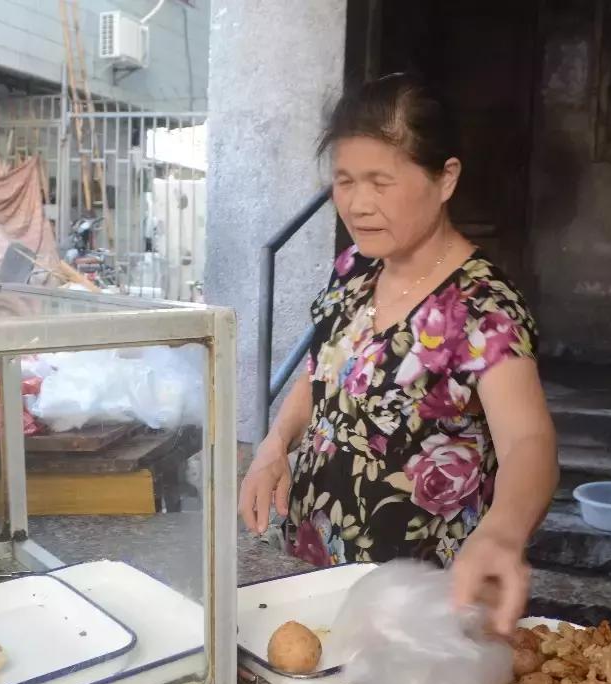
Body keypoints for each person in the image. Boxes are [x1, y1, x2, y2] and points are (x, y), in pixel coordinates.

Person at [239, 74, 559, 635]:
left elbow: (529, 443)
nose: (358, 204)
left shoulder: (482, 307)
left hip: (416, 606)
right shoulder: (354, 271)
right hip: (313, 570)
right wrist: (274, 444)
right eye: (344, 181)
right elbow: (323, 370)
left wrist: (504, 534)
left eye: (380, 182)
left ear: (445, 179)